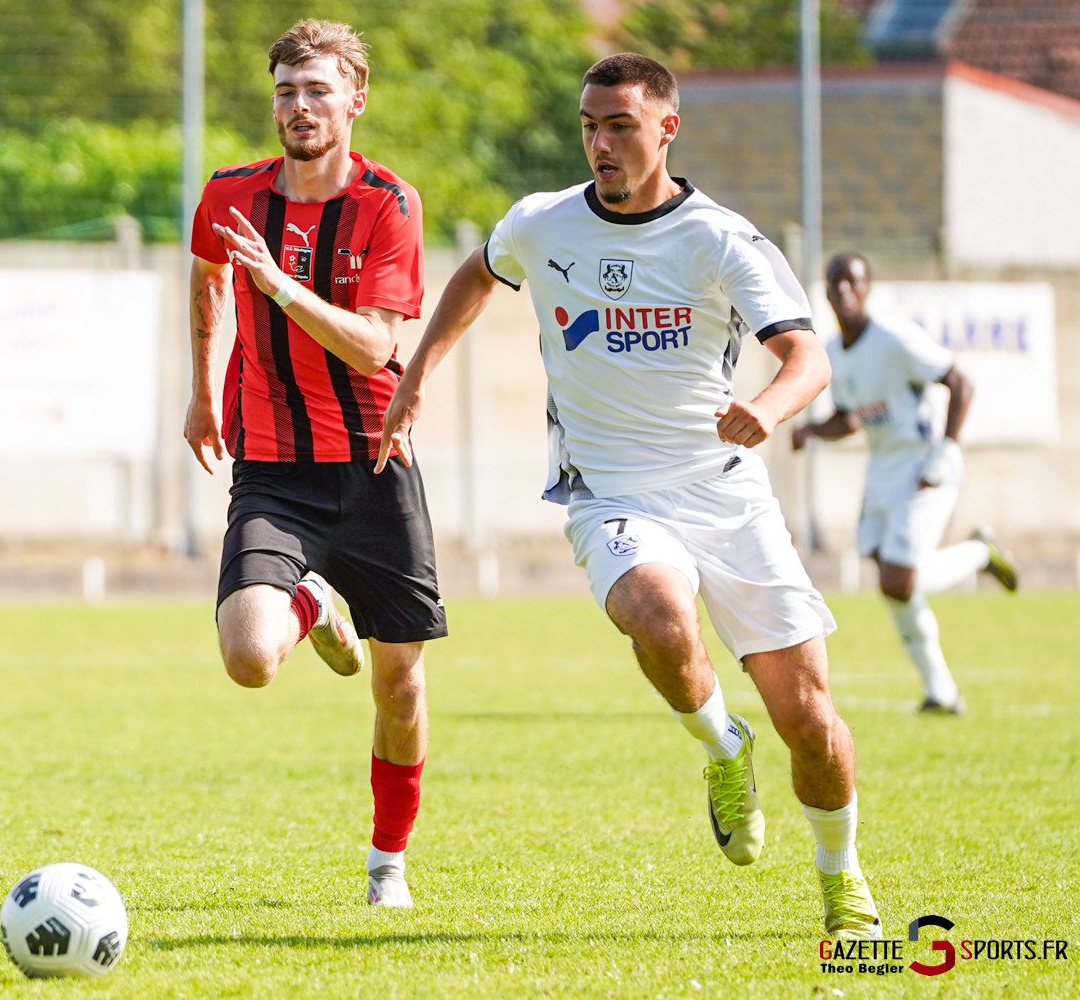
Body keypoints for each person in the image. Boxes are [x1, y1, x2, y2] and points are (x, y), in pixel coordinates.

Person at [378, 53, 882, 938]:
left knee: (809, 721)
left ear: (667, 129)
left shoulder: (721, 239)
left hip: (726, 493)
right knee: (655, 614)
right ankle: (723, 746)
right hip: (611, 491)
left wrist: (764, 408)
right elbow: (480, 271)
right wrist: (418, 372)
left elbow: (807, 357)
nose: (600, 143)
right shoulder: (543, 223)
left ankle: (843, 881)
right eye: (588, 125)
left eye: (619, 126)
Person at [184, 19, 445, 908]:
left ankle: (387, 867)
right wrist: (198, 386)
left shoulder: (388, 204)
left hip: (375, 461)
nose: (300, 107)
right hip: (274, 464)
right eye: (287, 92)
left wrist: (284, 286)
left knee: (400, 681)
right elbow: (208, 274)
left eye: (318, 91)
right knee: (250, 657)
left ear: (355, 100)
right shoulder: (231, 193)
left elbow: (376, 346)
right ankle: (305, 603)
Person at [793, 253, 1018, 714]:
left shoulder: (895, 339)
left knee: (899, 579)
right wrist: (812, 430)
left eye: (852, 282)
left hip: (922, 467)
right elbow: (850, 420)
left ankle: (980, 552)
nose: (843, 291)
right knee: (888, 578)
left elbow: (960, 383)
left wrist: (947, 448)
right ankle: (941, 693)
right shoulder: (833, 354)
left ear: (868, 288)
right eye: (835, 284)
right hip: (881, 471)